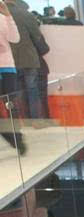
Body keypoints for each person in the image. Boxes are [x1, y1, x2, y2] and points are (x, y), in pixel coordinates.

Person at [6, 0, 44, 120]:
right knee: (32, 91)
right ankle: (35, 120)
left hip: (8, 62)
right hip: (29, 58)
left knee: (13, 93)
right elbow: (37, 36)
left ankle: (18, 122)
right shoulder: (26, 14)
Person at [0, 0, 21, 153]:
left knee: (11, 105)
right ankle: (10, 138)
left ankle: (17, 139)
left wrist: (8, 15)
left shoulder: (3, 18)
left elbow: (15, 38)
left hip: (7, 68)